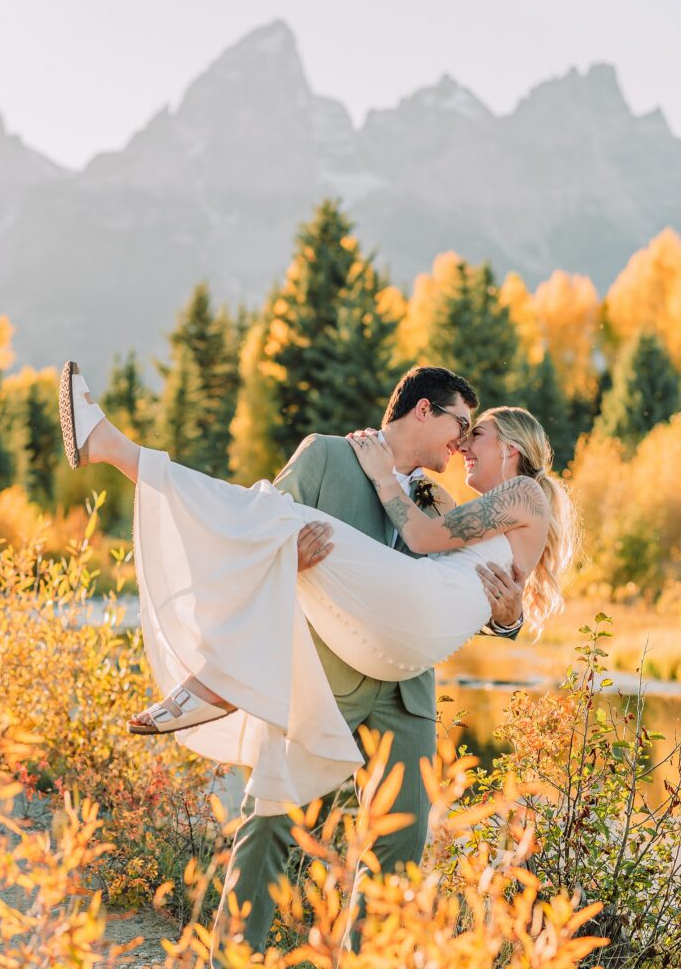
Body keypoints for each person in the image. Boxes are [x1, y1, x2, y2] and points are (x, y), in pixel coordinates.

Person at [58, 361, 576, 947]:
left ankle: (362, 959)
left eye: (472, 433)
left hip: (404, 690)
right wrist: (288, 557)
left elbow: (458, 595)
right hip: (323, 673)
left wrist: (508, 621)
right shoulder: (329, 455)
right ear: (423, 410)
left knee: (400, 840)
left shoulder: (440, 501)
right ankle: (232, 958)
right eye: (459, 423)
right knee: (275, 818)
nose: (461, 443)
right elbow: (255, 533)